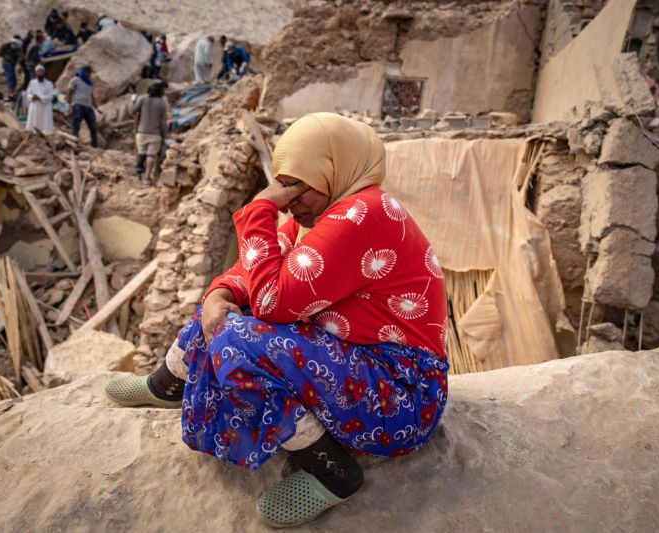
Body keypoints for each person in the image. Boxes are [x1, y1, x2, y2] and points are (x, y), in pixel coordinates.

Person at [104, 112, 449, 527]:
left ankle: (333, 472)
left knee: (237, 338)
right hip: (360, 368)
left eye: (298, 186)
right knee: (227, 313)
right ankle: (169, 382)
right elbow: (251, 274)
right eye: (285, 185)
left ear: (334, 170)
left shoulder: (364, 213)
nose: (290, 200)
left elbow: (271, 301)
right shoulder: (322, 216)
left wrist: (259, 209)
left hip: (400, 393)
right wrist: (219, 294)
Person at [132, 82, 167, 184]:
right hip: (155, 134)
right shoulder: (162, 103)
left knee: (141, 153)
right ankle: (147, 177)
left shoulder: (142, 98)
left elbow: (133, 111)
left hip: (141, 132)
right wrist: (164, 136)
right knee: (151, 156)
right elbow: (163, 123)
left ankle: (138, 175)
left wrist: (134, 102)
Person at [67, 65, 98, 148]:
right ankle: (74, 142)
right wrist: (69, 104)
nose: (90, 75)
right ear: (85, 72)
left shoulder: (89, 83)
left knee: (93, 126)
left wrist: (97, 107)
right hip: (78, 105)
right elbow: (69, 92)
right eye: (89, 73)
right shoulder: (75, 80)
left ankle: (94, 145)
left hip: (88, 106)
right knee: (76, 124)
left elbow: (91, 96)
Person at [25, 65, 54, 134]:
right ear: (36, 73)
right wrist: (32, 97)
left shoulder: (49, 84)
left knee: (45, 124)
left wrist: (40, 98)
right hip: (35, 105)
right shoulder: (32, 83)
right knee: (34, 122)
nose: (40, 73)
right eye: (38, 72)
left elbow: (51, 96)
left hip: (45, 106)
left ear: (44, 73)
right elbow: (28, 93)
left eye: (41, 72)